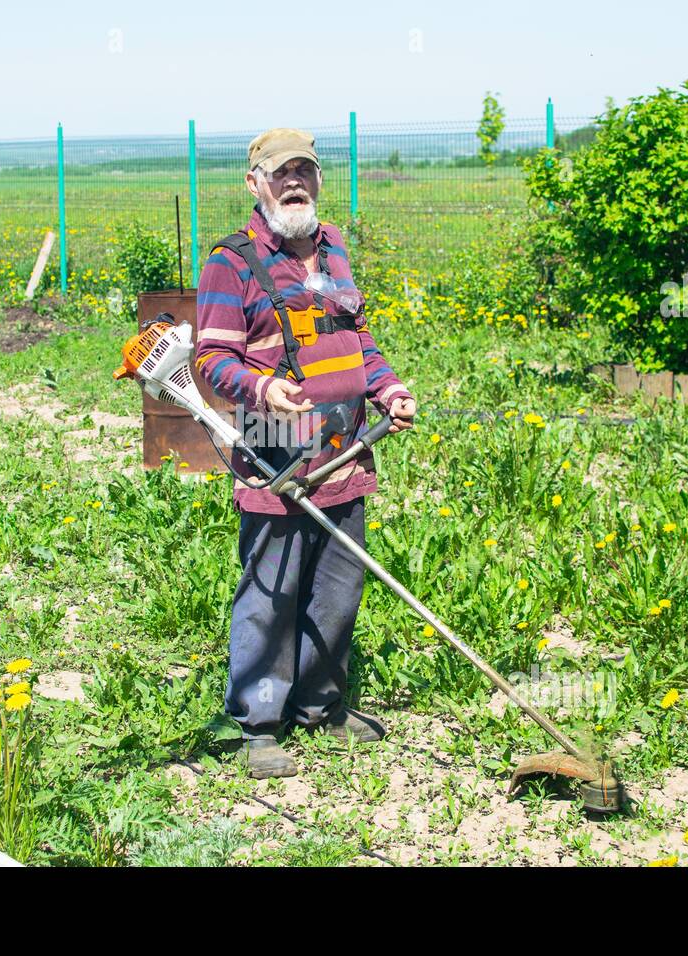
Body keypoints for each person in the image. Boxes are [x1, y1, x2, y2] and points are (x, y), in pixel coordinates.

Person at [193, 127, 417, 779]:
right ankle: (260, 725)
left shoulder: (334, 248)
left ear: (318, 180)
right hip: (274, 455)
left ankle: (322, 707)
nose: (295, 182)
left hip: (347, 447)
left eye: (305, 172)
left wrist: (389, 391)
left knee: (339, 588)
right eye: (280, 171)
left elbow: (359, 340)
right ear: (253, 182)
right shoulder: (230, 262)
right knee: (273, 589)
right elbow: (211, 357)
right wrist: (263, 387)